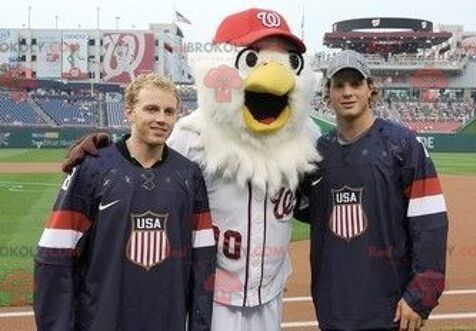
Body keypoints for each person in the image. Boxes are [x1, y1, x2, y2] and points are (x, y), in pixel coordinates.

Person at [60, 8, 321, 331]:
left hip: (270, 294)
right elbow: (144, 168)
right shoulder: (190, 135)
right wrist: (103, 152)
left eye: (286, 59)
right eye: (255, 57)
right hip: (211, 296)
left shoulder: (307, 134)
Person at [34, 73, 216, 331]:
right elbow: (54, 256)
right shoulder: (92, 169)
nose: (161, 119)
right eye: (151, 109)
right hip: (102, 320)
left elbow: (203, 259)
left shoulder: (189, 175)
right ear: (129, 111)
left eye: (169, 111)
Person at [296, 50, 449, 331]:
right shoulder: (316, 154)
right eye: (339, 85)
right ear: (327, 93)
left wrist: (420, 296)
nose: (347, 92)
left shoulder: (403, 146)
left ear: (371, 89)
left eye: (356, 84)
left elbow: (430, 224)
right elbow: (305, 209)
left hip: (389, 309)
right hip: (333, 307)